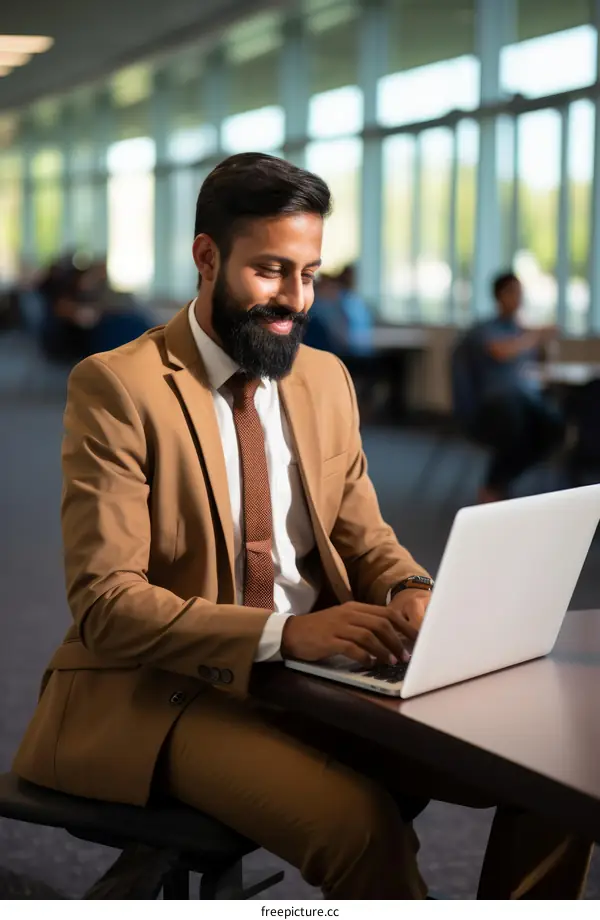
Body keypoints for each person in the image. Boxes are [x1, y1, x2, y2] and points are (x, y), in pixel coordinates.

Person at [13, 155, 592, 898]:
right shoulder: (119, 387)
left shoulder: (322, 378)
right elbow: (105, 605)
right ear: (206, 257)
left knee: (555, 773)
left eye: (310, 273)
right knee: (358, 828)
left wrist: (412, 587)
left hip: (321, 677)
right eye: (271, 271)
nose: (295, 298)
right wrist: (284, 636)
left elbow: (364, 531)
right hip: (167, 689)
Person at [469, 271, 566, 503]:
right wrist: (532, 337)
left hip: (525, 397)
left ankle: (499, 482)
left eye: (520, 293)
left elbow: (540, 364)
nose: (518, 298)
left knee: (553, 427)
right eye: (512, 292)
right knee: (514, 428)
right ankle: (494, 485)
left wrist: (545, 342)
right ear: (499, 296)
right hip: (496, 401)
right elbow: (502, 351)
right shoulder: (486, 329)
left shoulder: (521, 330)